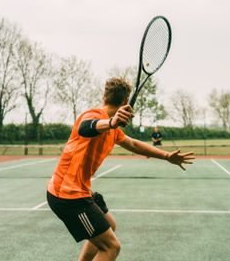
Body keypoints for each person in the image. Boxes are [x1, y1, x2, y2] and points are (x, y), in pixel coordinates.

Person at [47, 77, 194, 261]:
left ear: (104, 96)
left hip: (79, 191)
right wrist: (110, 123)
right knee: (111, 248)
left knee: (110, 225)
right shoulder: (93, 116)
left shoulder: (113, 128)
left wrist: (166, 156)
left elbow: (132, 143)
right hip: (67, 196)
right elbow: (87, 127)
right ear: (126, 101)